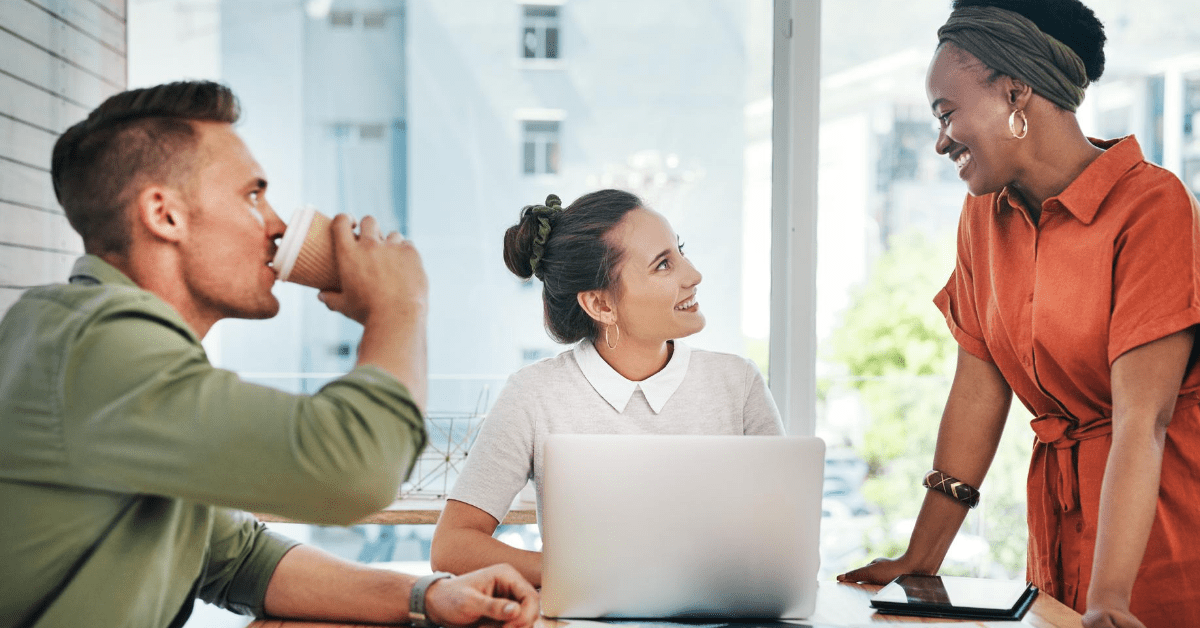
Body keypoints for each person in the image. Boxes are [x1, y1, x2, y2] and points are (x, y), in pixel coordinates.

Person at [0, 81, 538, 628]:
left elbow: (237, 559)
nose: (278, 225)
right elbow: (356, 471)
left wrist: (428, 597)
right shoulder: (96, 345)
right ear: (165, 215)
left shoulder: (105, 349)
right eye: (253, 195)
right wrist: (398, 307)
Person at [837, 2, 1200, 627]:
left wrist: (1110, 598)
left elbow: (1145, 422)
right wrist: (920, 560)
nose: (941, 138)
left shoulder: (1151, 205)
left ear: (1015, 92)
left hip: (1161, 530)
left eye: (947, 112)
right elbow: (977, 396)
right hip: (1058, 523)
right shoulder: (984, 215)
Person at [429, 190, 785, 587]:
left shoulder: (738, 384)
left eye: (679, 251)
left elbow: (786, 544)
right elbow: (453, 546)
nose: (693, 275)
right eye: (664, 264)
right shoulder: (534, 396)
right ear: (601, 305)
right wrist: (581, 573)